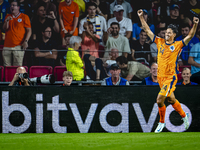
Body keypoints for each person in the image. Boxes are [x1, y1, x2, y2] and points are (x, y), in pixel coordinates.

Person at [138, 9, 199, 133]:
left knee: (159, 99)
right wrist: (141, 17)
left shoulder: (177, 45)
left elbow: (190, 36)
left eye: (169, 32)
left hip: (170, 77)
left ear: (174, 35)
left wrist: (196, 24)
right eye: (166, 32)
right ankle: (184, 115)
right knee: (171, 100)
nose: (166, 34)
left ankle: (161, 122)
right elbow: (147, 30)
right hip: (160, 77)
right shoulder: (159, 42)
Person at [2, 0, 32, 66]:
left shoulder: (24, 17)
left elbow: (29, 30)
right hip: (7, 46)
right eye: (11, 5)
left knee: (17, 67)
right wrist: (6, 21)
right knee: (6, 67)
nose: (12, 7)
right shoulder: (8, 16)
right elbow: (5, 28)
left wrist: (26, 41)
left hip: (18, 46)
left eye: (14, 5)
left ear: (18, 7)